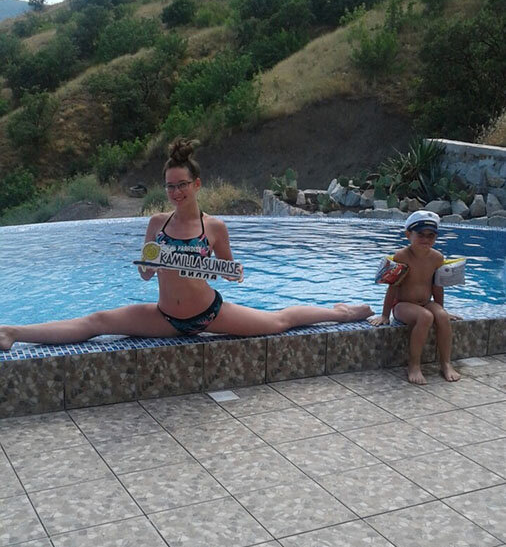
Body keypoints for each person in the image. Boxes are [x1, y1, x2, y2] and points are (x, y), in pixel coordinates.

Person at [0, 137, 373, 351]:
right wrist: (154, 261)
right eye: (170, 186)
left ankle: (342, 312)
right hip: (165, 317)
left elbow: (231, 275)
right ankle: (13, 332)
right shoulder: (157, 223)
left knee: (279, 321)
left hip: (210, 313)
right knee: (97, 322)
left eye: (182, 185)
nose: (176, 192)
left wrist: (230, 270)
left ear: (196, 185)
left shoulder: (214, 227)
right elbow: (146, 275)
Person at [369, 209, 461, 385]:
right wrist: (385, 315)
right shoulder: (402, 256)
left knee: (441, 316)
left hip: (426, 302)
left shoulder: (437, 258)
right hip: (402, 305)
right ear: (408, 235)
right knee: (425, 317)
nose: (426, 239)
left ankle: (446, 363)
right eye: (421, 234)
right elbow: (393, 287)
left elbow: (437, 287)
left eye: (431, 235)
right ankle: (414, 365)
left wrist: (441, 309)